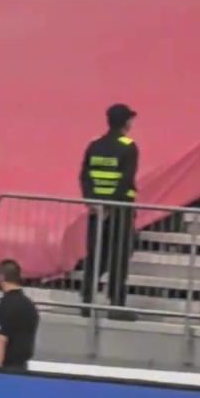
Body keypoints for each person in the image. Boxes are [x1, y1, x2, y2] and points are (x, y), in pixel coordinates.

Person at [80, 103, 138, 319]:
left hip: (96, 212)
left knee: (95, 255)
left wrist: (92, 202)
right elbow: (125, 180)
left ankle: (87, 302)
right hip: (119, 211)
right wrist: (111, 206)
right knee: (119, 258)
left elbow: (84, 176)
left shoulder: (94, 145)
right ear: (126, 122)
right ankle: (116, 305)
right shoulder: (129, 146)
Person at [0, 260, 39, 372]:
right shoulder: (29, 305)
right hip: (22, 368)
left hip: (6, 369)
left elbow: (0, 340)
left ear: (1, 277)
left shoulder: (6, 305)